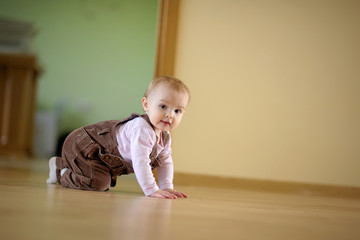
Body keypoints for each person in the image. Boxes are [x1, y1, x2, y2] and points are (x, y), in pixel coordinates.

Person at [46, 76, 190, 199]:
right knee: (98, 183)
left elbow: (165, 161)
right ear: (146, 104)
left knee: (103, 181)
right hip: (83, 146)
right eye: (163, 106)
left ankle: (62, 166)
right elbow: (141, 162)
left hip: (100, 159)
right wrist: (152, 189)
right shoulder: (142, 129)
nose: (170, 115)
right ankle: (60, 171)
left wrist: (167, 187)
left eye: (177, 111)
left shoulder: (164, 136)